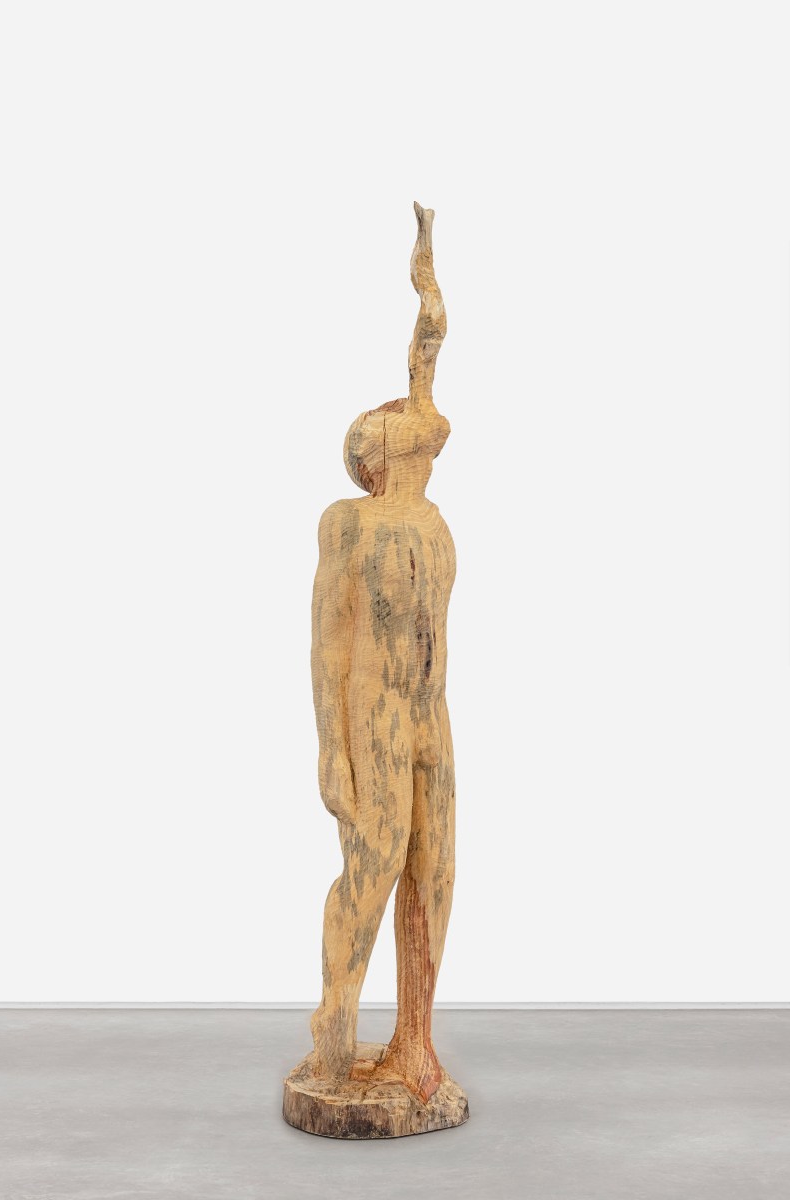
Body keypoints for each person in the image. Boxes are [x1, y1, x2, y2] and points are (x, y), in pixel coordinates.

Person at [309, 203, 456, 1104]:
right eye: (388, 413)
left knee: (433, 868)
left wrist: (426, 263)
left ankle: (413, 1041)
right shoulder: (350, 522)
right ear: (370, 454)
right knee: (371, 867)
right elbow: (326, 641)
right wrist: (332, 748)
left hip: (432, 713)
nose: (406, 408)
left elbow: (427, 344)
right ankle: (334, 1024)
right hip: (373, 716)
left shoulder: (429, 513)